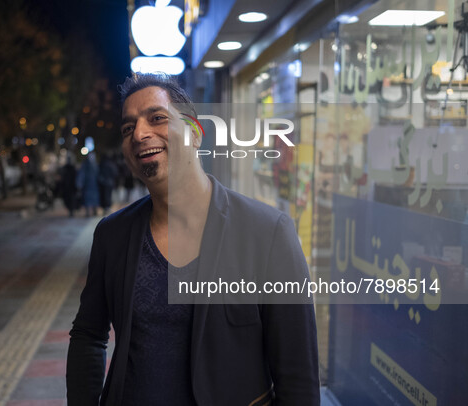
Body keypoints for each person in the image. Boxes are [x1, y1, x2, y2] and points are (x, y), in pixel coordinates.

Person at [67, 73, 320, 405]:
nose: (140, 134)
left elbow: (297, 376)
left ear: (195, 133)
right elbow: (89, 335)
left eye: (157, 118)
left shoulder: (268, 233)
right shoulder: (112, 235)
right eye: (128, 128)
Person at [77, 152, 100, 217]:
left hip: (93, 185)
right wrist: (79, 183)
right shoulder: (88, 165)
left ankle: (94, 211)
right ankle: (89, 212)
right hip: (89, 185)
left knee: (92, 198)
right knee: (88, 198)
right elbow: (82, 174)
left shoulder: (94, 165)